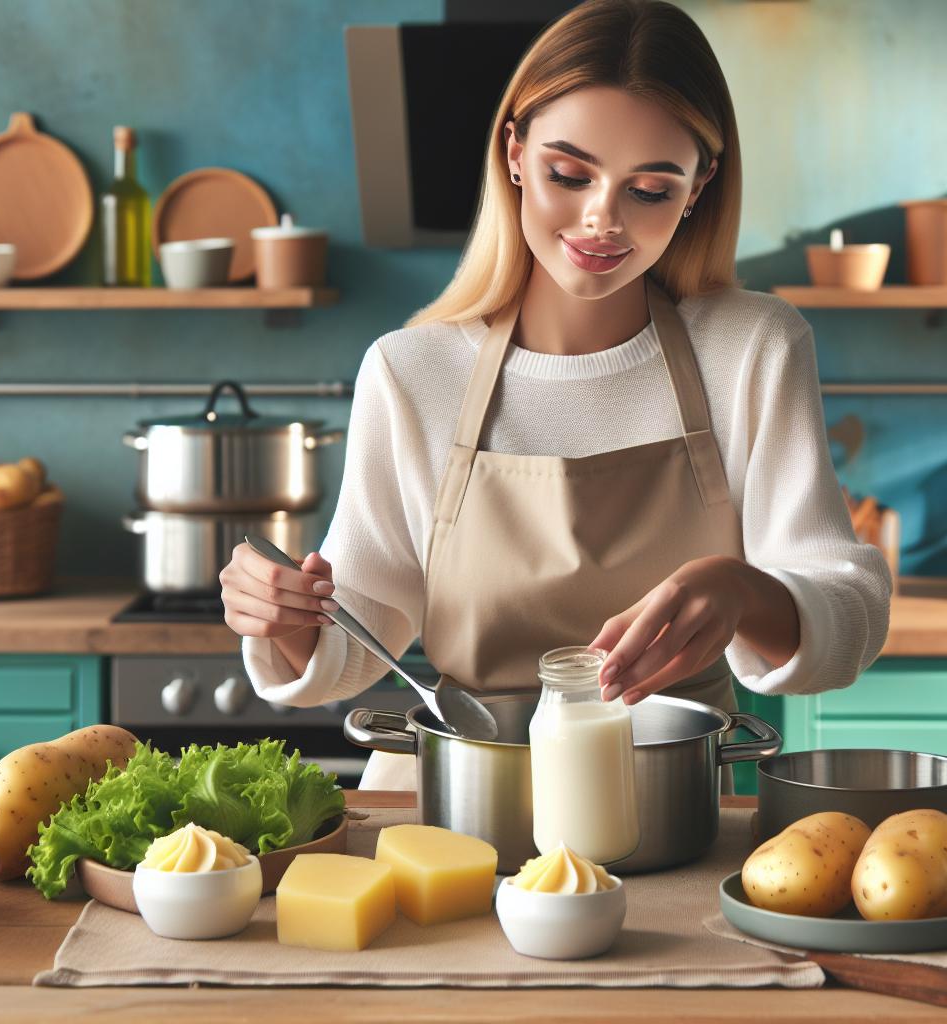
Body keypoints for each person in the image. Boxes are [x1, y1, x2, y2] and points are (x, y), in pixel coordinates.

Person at [221, 0, 890, 790]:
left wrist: (744, 592)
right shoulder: (412, 371)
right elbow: (353, 634)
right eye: (568, 175)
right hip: (452, 806)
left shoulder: (752, 348)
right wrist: (286, 616)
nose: (601, 219)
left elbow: (853, 607)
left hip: (669, 807)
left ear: (699, 186)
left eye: (648, 189)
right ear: (513, 150)